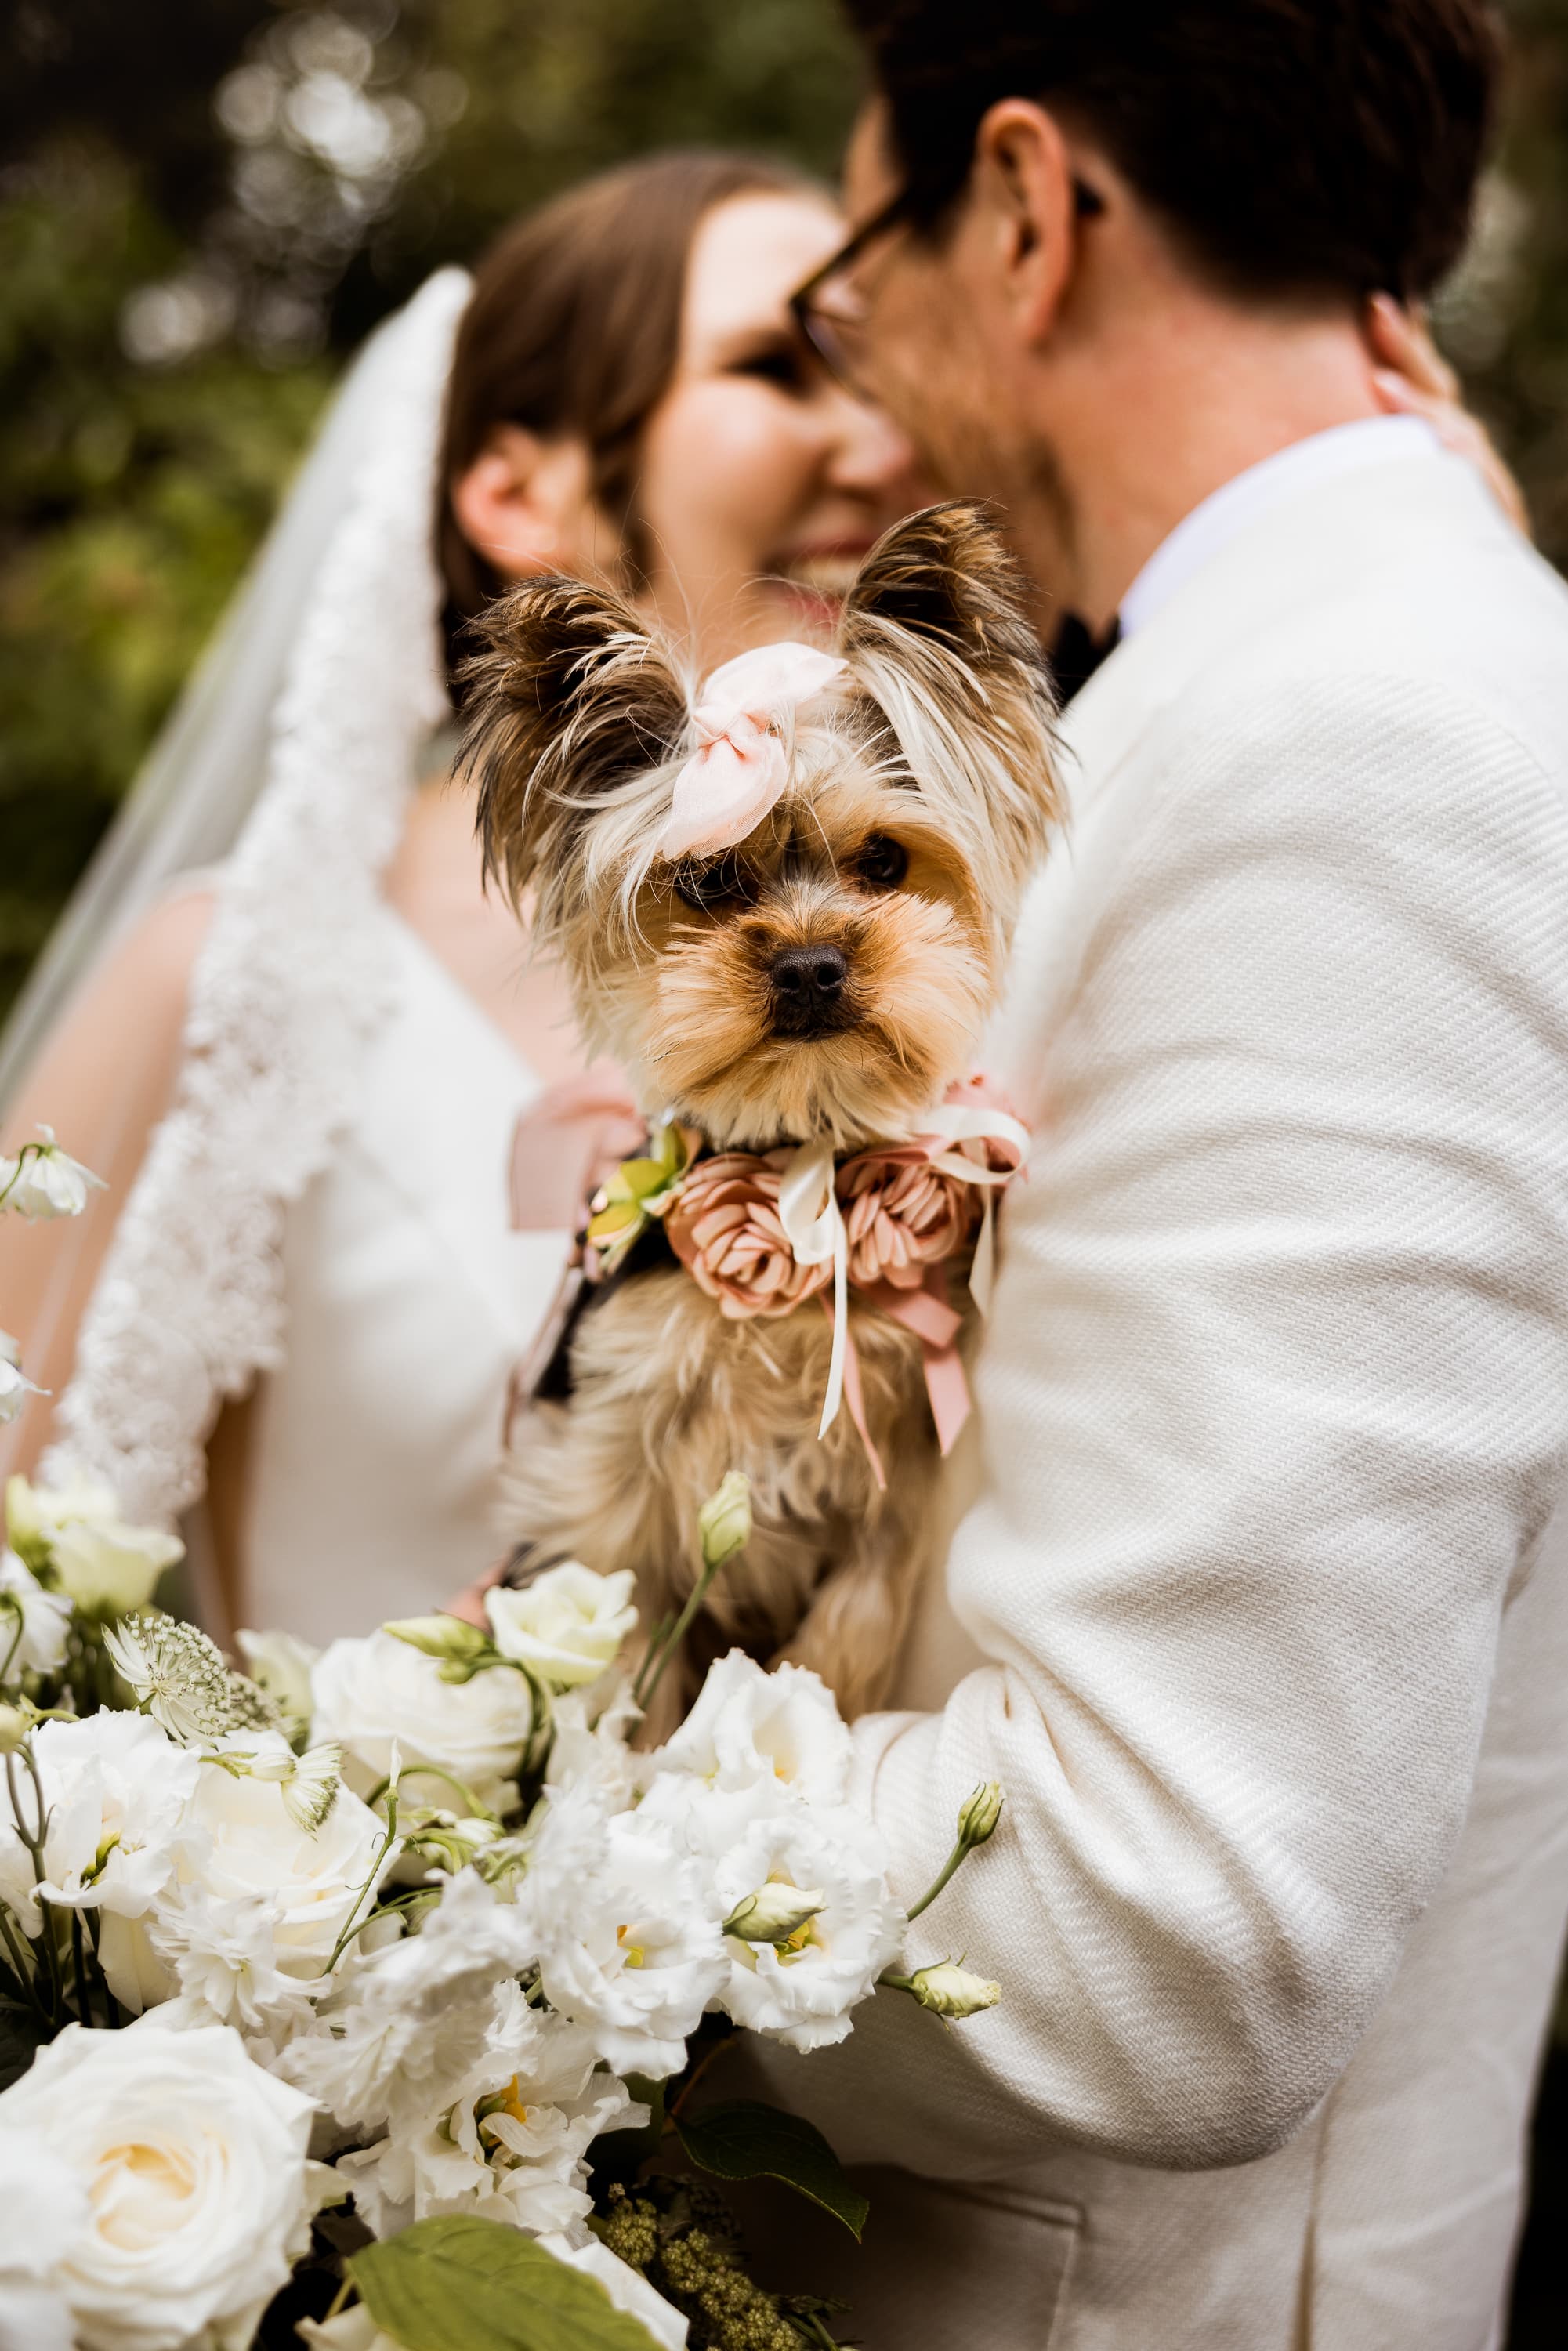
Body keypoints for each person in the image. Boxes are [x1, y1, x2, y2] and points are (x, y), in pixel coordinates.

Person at [722, 5, 1568, 2347]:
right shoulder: (1358, 666)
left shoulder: (1353, 741)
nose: (864, 361)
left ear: (1025, 206)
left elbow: (1156, 1939)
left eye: (864, 259)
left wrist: (478, 1819)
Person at [0, 150, 918, 1643]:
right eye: (779, 365)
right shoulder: (225, 982)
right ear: (515, 489)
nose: (881, 446)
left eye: (887, 375)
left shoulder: (947, 958)